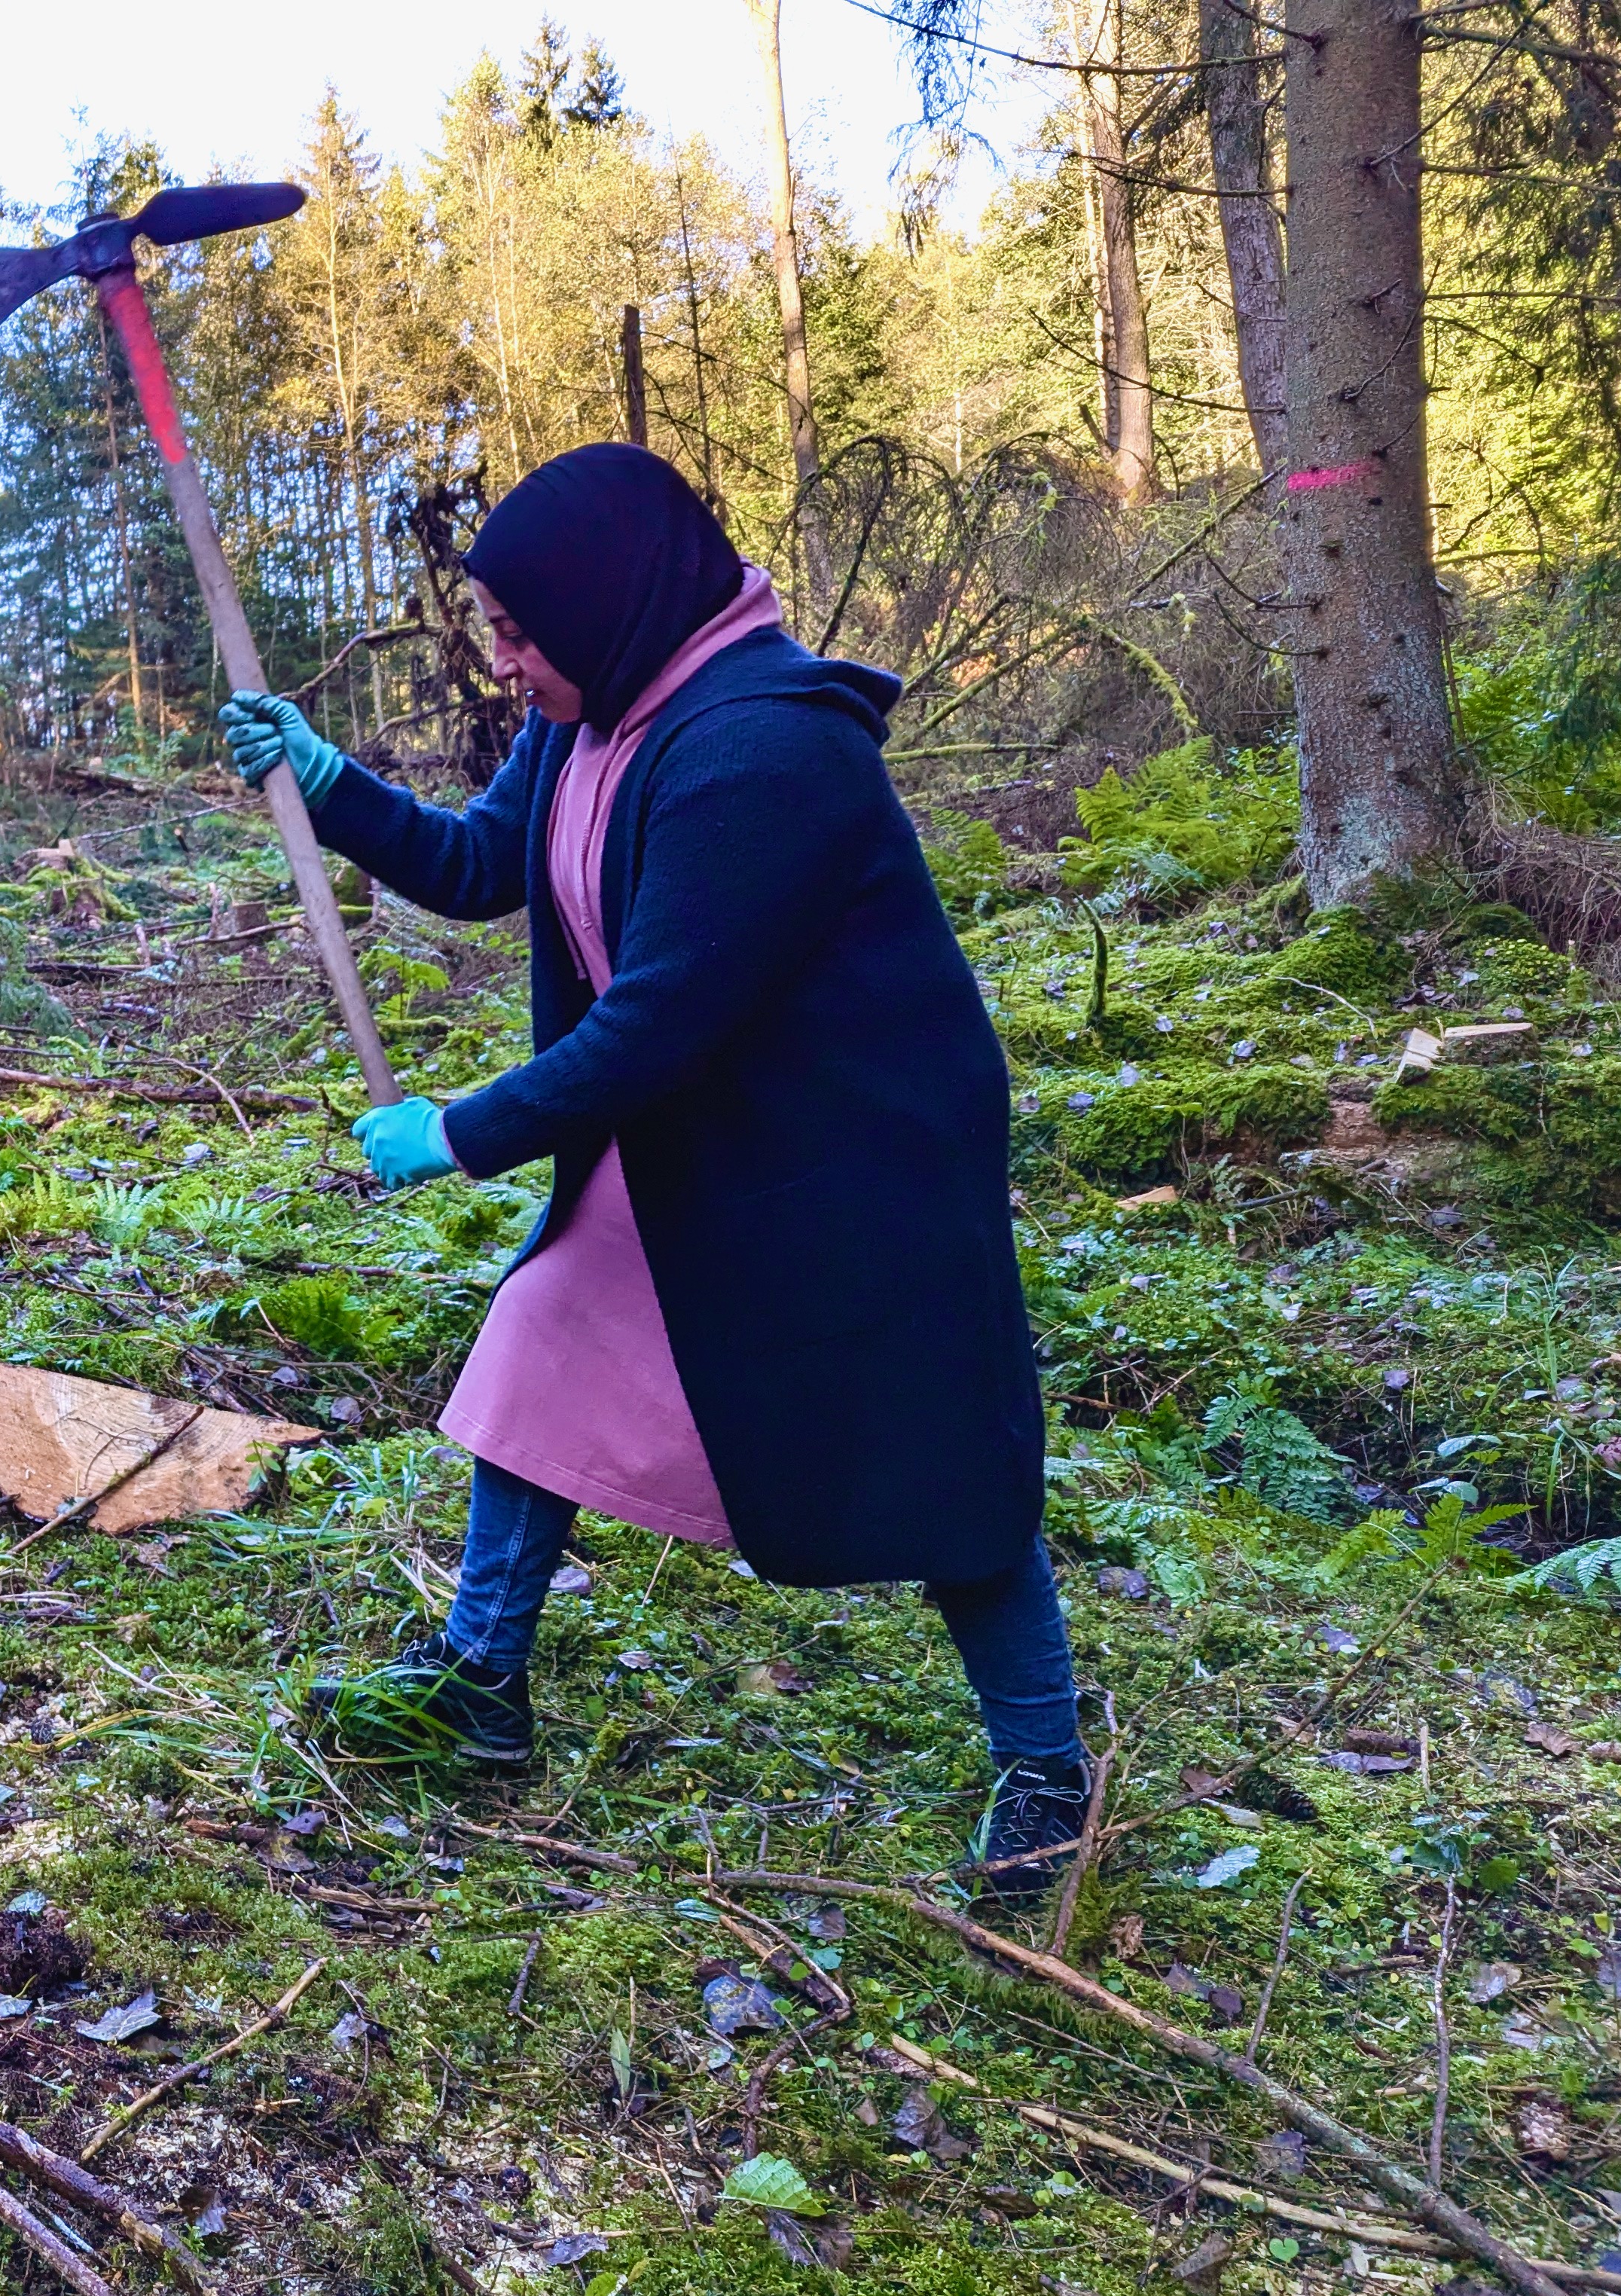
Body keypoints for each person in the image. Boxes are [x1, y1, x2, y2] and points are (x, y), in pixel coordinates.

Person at [218, 444, 1086, 1894]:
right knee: (541, 1344)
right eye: (492, 629)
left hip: (854, 1159)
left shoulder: (764, 748)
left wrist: (461, 1129)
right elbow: (486, 862)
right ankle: (481, 1681)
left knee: (933, 1451)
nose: (503, 663)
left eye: (519, 631)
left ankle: (1047, 1767)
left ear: (610, 603)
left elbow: (664, 1016)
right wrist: (332, 782)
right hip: (695, 1126)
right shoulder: (598, 707)